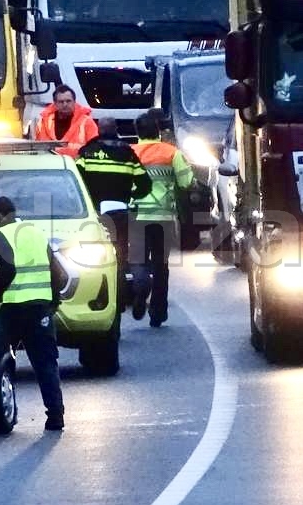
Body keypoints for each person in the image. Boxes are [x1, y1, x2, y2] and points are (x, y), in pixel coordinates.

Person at [0, 196, 65, 431]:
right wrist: (52, 302)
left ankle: (0, 417)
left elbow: (8, 269)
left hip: (12, 310)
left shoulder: (1, 235)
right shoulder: (36, 233)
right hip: (40, 310)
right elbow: (58, 273)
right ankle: (55, 417)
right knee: (46, 364)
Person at [75, 117, 151, 311]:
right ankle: (132, 288)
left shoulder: (87, 152)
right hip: (120, 211)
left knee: (99, 256)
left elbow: (77, 183)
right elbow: (145, 184)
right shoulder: (127, 152)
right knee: (122, 254)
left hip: (95, 215)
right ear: (116, 129)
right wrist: (130, 195)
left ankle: (111, 298)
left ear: (99, 129)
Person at [130, 112, 193, 327]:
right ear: (158, 131)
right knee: (160, 265)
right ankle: (158, 312)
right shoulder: (171, 153)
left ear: (137, 132)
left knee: (138, 260)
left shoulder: (130, 153)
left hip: (136, 215)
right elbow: (186, 182)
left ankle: (140, 288)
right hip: (163, 216)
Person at [33, 85, 98, 154]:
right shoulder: (43, 122)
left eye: (68, 101)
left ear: (74, 102)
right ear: (55, 104)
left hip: (75, 164)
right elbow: (36, 149)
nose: (65, 104)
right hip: (49, 164)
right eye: (61, 102)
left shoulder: (87, 122)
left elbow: (94, 150)